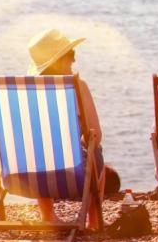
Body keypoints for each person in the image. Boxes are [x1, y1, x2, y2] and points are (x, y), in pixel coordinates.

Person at [27, 29, 105, 229]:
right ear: (59, 60)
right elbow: (95, 134)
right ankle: (93, 222)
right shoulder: (77, 86)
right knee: (95, 150)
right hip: (71, 176)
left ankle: (47, 215)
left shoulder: (22, 91)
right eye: (71, 55)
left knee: (38, 150)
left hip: (24, 174)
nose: (73, 61)